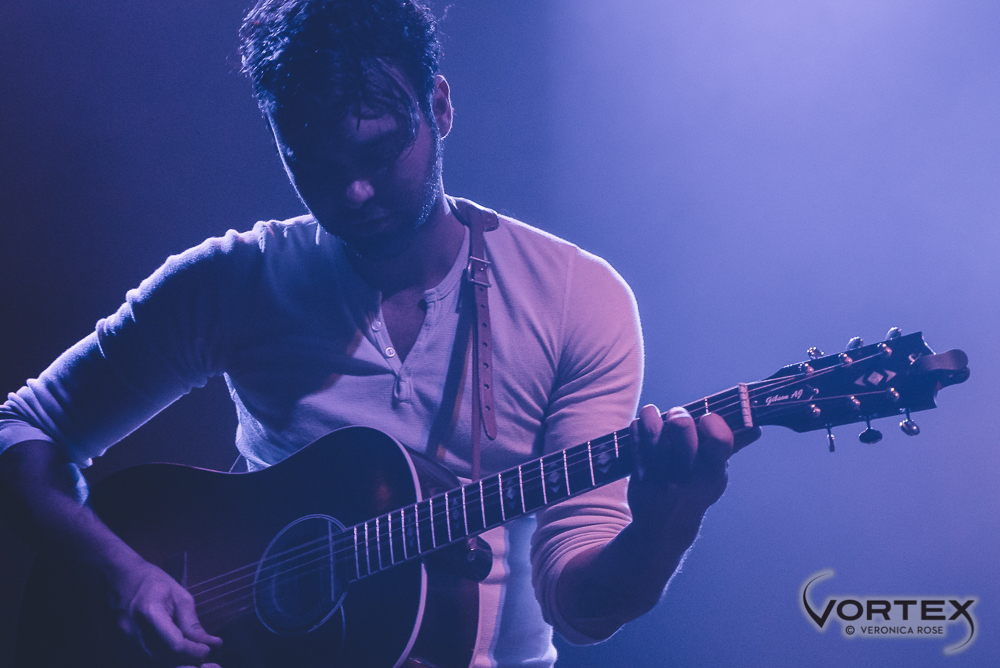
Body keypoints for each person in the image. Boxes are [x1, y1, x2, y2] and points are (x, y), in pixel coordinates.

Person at [0, 1, 758, 666]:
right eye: (314, 164)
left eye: (379, 150)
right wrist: (119, 571)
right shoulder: (238, 279)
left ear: (441, 106)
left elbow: (581, 610)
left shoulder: (575, 299)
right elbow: (21, 427)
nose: (354, 192)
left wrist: (665, 526)